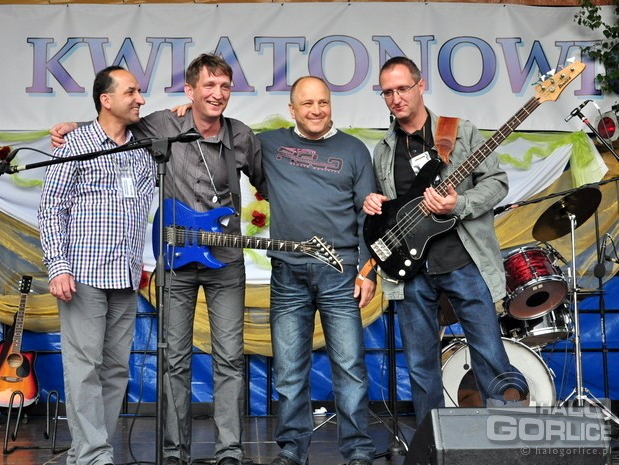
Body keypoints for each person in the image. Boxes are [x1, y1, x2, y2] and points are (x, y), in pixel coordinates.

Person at [51, 54, 267, 465]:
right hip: (171, 263)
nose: (218, 94)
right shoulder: (162, 125)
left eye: (224, 86)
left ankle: (230, 451)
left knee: (228, 359)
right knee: (172, 360)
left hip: (221, 262)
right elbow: (110, 125)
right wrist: (71, 127)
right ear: (190, 90)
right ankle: (169, 453)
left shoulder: (240, 135)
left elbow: (270, 183)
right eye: (208, 86)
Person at [362, 56, 524, 424]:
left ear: (420, 86)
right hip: (411, 273)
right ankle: (430, 443)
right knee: (421, 365)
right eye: (387, 92)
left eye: (403, 88)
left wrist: (459, 204)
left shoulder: (459, 131)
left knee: (490, 354)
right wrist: (374, 203)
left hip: (462, 261)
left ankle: (509, 435)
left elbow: (496, 183)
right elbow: (392, 209)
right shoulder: (383, 150)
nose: (395, 98)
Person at [38, 65, 156, 465]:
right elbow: (51, 208)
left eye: (139, 92)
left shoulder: (142, 149)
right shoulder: (75, 143)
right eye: (131, 92)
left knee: (116, 369)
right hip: (83, 274)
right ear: (106, 100)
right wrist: (58, 266)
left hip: (126, 275)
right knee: (84, 367)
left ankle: (88, 453)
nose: (140, 99)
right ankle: (94, 454)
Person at [258, 76, 377, 465]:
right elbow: (218, 133)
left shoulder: (354, 150)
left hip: (340, 273)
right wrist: (184, 113)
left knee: (350, 368)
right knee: (289, 370)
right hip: (287, 274)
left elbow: (369, 217)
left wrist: (368, 270)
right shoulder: (268, 144)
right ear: (291, 109)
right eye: (307, 103)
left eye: (322, 102)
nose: (316, 110)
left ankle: (357, 451)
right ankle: (292, 450)